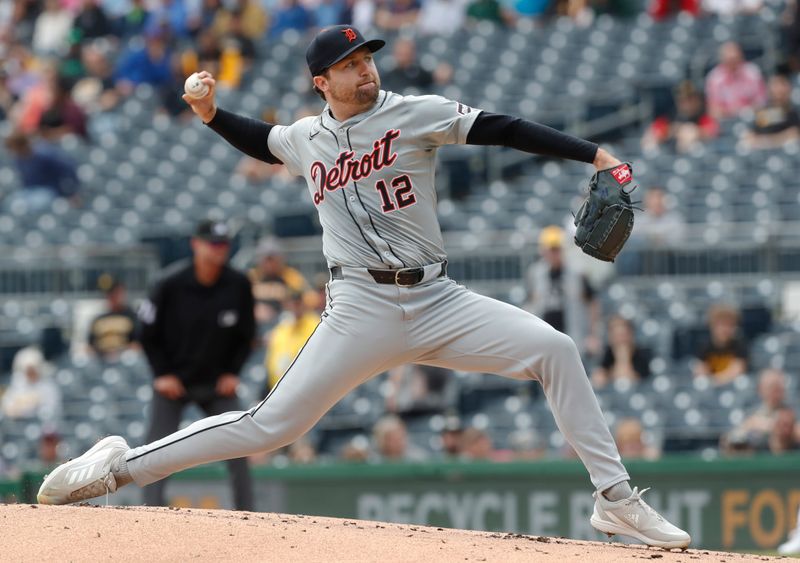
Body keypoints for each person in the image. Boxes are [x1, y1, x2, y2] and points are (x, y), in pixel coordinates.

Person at [39, 25, 690, 550]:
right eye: (350, 64)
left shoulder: (415, 113)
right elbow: (264, 142)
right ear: (323, 81)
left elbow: (504, 127)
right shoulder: (306, 137)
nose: (366, 69)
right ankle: (119, 467)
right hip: (360, 307)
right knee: (268, 426)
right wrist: (211, 114)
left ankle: (617, 501)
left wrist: (596, 155)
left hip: (438, 299)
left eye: (367, 57)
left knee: (556, 349)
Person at [133, 219, 256, 510]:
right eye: (213, 243)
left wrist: (232, 372)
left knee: (241, 443)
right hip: (173, 382)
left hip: (216, 384)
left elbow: (247, 336)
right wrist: (162, 374)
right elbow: (146, 334)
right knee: (156, 452)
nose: (219, 250)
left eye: (223, 244)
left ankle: (248, 515)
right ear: (195, 244)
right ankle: (148, 514)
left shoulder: (238, 284)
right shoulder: (168, 283)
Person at [525, 225, 601, 357]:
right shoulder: (535, 273)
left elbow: (592, 304)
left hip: (572, 333)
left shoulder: (577, 272)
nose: (554, 253)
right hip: (544, 336)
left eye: (557, 249)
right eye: (551, 249)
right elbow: (530, 303)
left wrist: (593, 334)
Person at [4, 129, 80, 212]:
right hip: (28, 191)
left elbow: (68, 169)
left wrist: (72, 193)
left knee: (29, 206)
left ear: (21, 145)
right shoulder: (18, 159)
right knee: (10, 203)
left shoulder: (44, 155)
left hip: (49, 190)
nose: (12, 152)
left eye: (14, 148)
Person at [264, 290, 320, 393]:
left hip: (305, 389)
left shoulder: (316, 325)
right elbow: (272, 358)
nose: (295, 307)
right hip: (277, 389)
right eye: (291, 303)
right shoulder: (282, 327)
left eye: (298, 303)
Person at [641, 81, 718, 155]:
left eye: (690, 99)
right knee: (650, 143)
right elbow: (654, 131)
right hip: (670, 153)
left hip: (698, 156)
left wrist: (695, 131)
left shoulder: (703, 116)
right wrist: (673, 131)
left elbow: (712, 131)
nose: (686, 104)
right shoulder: (672, 117)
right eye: (682, 100)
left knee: (689, 135)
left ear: (697, 100)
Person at [721, 368, 787, 453]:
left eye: (778, 386)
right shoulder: (751, 414)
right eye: (771, 387)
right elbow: (729, 439)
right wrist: (748, 426)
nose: (775, 391)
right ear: (761, 389)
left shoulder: (793, 410)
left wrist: (772, 426)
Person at [249, 237, 309, 328]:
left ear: (280, 259)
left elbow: (309, 300)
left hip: (283, 325)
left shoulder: (291, 276)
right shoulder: (252, 277)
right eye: (267, 259)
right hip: (256, 325)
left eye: (272, 259)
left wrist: (288, 305)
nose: (269, 264)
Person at [705, 42, 767, 120]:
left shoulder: (752, 72)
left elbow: (762, 102)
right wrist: (733, 113)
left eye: (735, 59)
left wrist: (746, 111)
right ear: (722, 60)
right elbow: (713, 109)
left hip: (753, 118)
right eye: (729, 60)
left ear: (741, 57)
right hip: (726, 121)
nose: (733, 64)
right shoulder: (715, 78)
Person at [739, 73, 800, 151]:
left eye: (782, 84)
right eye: (775, 85)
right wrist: (782, 137)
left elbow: (794, 134)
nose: (779, 89)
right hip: (765, 151)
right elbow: (752, 137)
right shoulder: (764, 112)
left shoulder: (794, 112)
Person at [1, 346, 61, 423]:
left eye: (32, 369)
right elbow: (8, 405)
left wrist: (26, 406)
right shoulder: (18, 383)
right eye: (27, 369)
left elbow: (50, 411)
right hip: (19, 426)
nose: (30, 372)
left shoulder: (48, 386)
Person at [692, 304, 748, 385]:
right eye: (721, 324)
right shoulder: (704, 346)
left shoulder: (740, 345)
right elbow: (700, 370)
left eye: (729, 325)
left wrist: (714, 381)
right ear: (712, 325)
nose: (725, 329)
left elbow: (738, 370)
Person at [87, 276, 139, 361]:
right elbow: (89, 346)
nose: (115, 296)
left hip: (125, 359)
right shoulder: (98, 319)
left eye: (117, 293)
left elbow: (137, 344)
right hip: (101, 359)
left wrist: (120, 352)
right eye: (111, 293)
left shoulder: (131, 317)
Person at [591, 316, 651, 389]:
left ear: (631, 335)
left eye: (623, 335)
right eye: (616, 336)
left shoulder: (643, 355)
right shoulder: (605, 354)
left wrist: (623, 359)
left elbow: (626, 380)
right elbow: (597, 381)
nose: (620, 341)